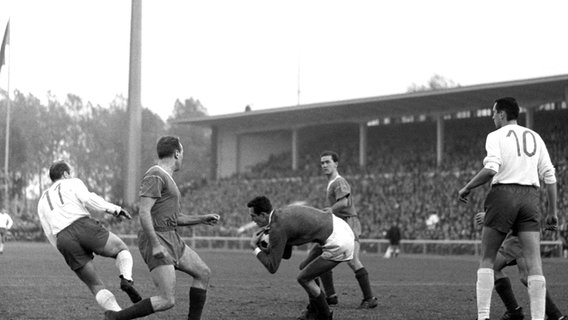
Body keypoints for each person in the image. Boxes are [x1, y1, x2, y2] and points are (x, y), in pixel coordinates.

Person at [458, 97, 558, 320]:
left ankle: (483, 316)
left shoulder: (495, 136)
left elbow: (492, 167)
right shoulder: (535, 137)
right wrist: (553, 212)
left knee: (487, 259)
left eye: (494, 113)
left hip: (504, 194)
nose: (492, 117)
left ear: (502, 114)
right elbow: (550, 177)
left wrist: (467, 187)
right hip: (531, 198)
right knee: (534, 263)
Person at [105, 136, 220, 320]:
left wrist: (202, 219)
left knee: (203, 273)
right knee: (167, 300)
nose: (182, 156)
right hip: (158, 238)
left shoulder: (167, 178)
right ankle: (115, 318)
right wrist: (156, 244)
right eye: (182, 152)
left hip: (171, 237)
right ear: (176, 153)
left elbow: (174, 218)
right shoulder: (155, 174)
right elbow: (144, 212)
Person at [37, 160, 142, 313]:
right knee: (121, 249)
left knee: (95, 285)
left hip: (63, 239)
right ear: (66, 174)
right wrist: (115, 209)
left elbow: (48, 231)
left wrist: (63, 249)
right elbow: (88, 199)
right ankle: (126, 279)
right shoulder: (71, 182)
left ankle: (119, 314)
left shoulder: (42, 201)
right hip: (83, 226)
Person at [247, 195, 354, 320]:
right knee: (305, 268)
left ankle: (325, 315)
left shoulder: (277, 228)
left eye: (253, 216)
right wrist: (270, 248)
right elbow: (286, 255)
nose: (253, 220)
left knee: (304, 279)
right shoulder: (280, 215)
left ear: (263, 215)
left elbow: (272, 267)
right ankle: (313, 311)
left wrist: (254, 247)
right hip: (340, 227)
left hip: (339, 240)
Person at [301, 150, 377, 309]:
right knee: (315, 260)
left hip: (348, 224)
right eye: (322, 163)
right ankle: (330, 296)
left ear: (336, 163)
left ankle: (369, 298)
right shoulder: (331, 183)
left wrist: (329, 210)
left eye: (327, 162)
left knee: (352, 261)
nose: (324, 165)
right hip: (335, 226)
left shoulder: (339, 182)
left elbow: (343, 203)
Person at [473, 212, 566, 320]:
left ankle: (555, 315)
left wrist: (491, 216)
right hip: (514, 236)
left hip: (521, 234)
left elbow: (515, 208)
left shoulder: (517, 196)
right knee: (492, 269)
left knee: (526, 276)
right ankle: (514, 311)